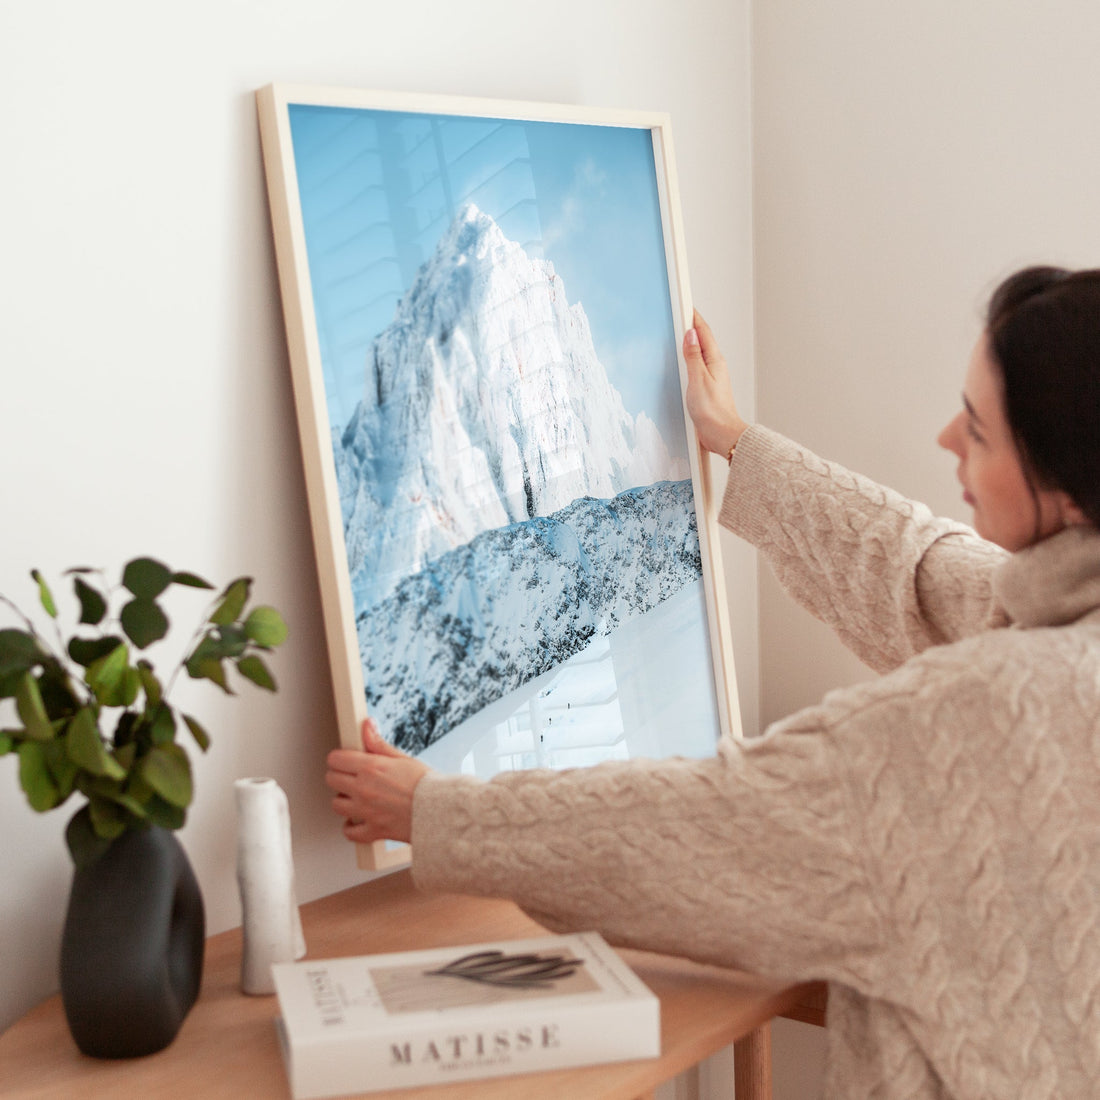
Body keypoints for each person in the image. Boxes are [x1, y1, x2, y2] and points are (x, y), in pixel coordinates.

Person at [326, 266, 1100, 1099]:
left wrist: (433, 812)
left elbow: (707, 825)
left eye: (980, 432)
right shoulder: (1062, 624)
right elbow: (918, 570)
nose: (948, 437)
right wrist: (735, 440)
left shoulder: (982, 716)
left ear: (1064, 489)